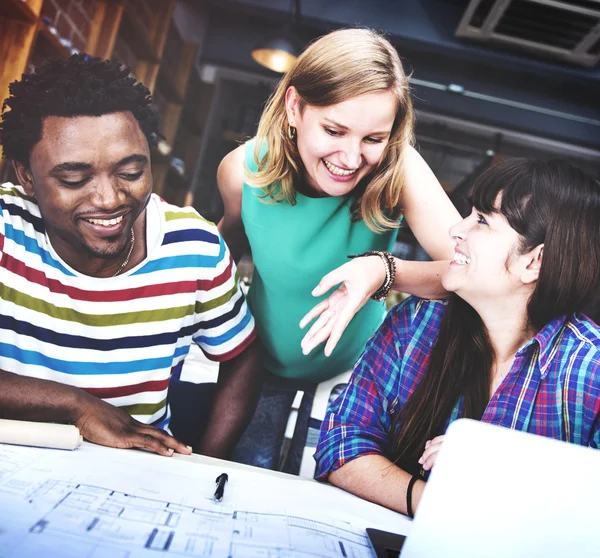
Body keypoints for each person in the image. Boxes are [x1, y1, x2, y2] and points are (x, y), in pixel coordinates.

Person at [217, 28, 461, 473]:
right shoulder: (241, 171)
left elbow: (472, 272)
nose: (351, 158)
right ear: (295, 108)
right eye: (334, 130)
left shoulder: (398, 168)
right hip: (258, 366)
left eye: (373, 138)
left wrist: (384, 271)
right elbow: (221, 250)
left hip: (358, 377)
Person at [0, 55, 261, 459]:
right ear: (26, 176)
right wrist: (78, 406)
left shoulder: (194, 247)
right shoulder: (4, 227)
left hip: (134, 476)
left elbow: (242, 357)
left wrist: (206, 464)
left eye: (131, 171)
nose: (109, 199)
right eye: (74, 179)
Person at [314, 158, 600, 516]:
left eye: (482, 221)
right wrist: (436, 505)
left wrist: (498, 468)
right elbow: (341, 443)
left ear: (535, 263)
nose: (456, 231)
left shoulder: (592, 371)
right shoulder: (417, 322)